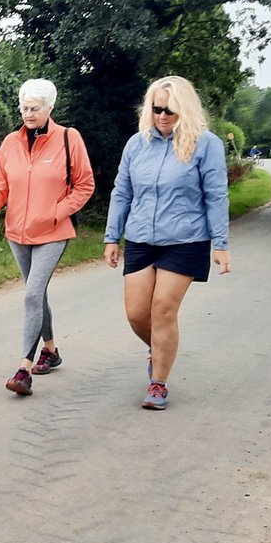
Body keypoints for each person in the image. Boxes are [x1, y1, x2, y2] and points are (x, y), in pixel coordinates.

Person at [103, 75, 230, 410]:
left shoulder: (206, 144)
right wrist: (111, 236)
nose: (162, 116)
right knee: (136, 313)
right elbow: (122, 192)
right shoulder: (137, 144)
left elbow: (216, 196)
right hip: (142, 237)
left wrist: (221, 243)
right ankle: (160, 349)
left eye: (170, 110)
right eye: (157, 109)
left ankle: (158, 382)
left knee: (162, 309)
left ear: (184, 110)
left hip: (186, 239)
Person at [0, 78, 94, 396]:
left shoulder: (69, 138)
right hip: (17, 233)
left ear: (49, 108)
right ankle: (50, 350)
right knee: (36, 294)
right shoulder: (11, 142)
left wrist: (55, 212)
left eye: (34, 108)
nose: (28, 113)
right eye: (24, 107)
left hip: (53, 232)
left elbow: (84, 185)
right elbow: (0, 185)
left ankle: (24, 369)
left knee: (30, 294)